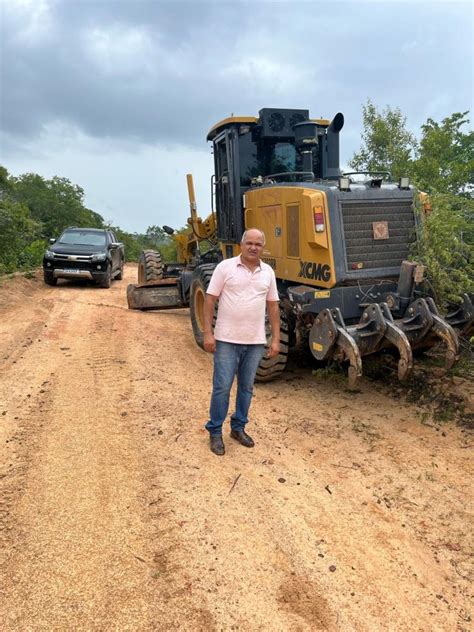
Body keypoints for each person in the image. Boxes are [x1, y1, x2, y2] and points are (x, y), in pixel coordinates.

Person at [203, 228, 280, 456]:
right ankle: (215, 431)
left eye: (258, 244)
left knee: (246, 388)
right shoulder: (225, 267)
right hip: (226, 339)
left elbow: (273, 306)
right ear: (241, 244)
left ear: (263, 247)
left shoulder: (268, 272)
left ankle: (238, 428)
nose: (253, 247)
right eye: (249, 243)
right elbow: (209, 300)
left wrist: (275, 339)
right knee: (222, 388)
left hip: (255, 342)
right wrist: (208, 333)